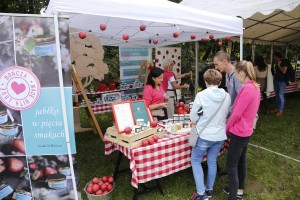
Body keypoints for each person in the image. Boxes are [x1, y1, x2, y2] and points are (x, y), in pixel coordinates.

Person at [190, 69, 231, 200]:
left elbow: (193, 117)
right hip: (220, 134)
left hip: (204, 135)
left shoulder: (201, 95)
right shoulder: (227, 96)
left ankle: (201, 193)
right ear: (219, 82)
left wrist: (201, 115)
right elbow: (226, 113)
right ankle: (208, 190)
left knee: (196, 161)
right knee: (212, 161)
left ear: (206, 81)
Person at [224, 61, 260, 200]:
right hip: (247, 130)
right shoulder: (255, 87)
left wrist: (226, 128)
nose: (235, 76)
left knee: (231, 165)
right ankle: (239, 190)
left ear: (241, 72)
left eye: (236, 73)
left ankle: (234, 196)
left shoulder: (247, 89)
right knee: (241, 161)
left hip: (239, 131)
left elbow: (237, 114)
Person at [272, 52, 287, 116]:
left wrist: (278, 65)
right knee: (277, 95)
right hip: (277, 80)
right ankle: (278, 108)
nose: (273, 58)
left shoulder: (283, 62)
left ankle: (281, 110)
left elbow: (284, 71)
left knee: (281, 95)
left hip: (282, 82)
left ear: (277, 56)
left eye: (274, 57)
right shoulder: (276, 62)